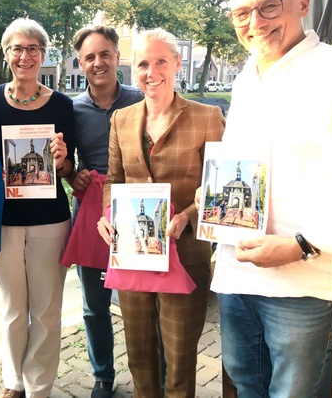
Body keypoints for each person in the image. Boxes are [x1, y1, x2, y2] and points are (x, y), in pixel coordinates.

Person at [208, 0, 332, 398]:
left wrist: (301, 245)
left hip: (303, 281)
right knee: (246, 382)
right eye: (242, 13)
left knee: (295, 392)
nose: (256, 22)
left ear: (302, 3)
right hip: (238, 273)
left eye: (270, 6)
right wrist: (210, 194)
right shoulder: (246, 79)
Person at [96, 28, 225, 398]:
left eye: (160, 62)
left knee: (181, 360)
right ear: (131, 69)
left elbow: (216, 191)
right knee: (139, 358)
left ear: (178, 63)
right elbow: (113, 179)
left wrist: (187, 215)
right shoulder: (121, 119)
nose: (151, 71)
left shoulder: (208, 117)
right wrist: (107, 214)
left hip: (184, 255)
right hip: (133, 255)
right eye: (142, 64)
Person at [0, 18, 75, 398]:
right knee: (12, 309)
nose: (25, 56)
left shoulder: (62, 105)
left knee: (46, 312)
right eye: (17, 48)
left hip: (50, 220)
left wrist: (63, 159)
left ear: (43, 55)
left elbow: (69, 170)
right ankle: (13, 381)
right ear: (7, 55)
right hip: (3, 219)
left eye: (33, 48)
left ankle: (39, 387)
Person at [65, 25, 143, 398]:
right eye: (90, 57)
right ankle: (102, 376)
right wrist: (73, 176)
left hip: (138, 205)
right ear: (81, 63)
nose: (99, 62)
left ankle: (150, 374)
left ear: (117, 57)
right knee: (95, 306)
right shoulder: (73, 109)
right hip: (93, 210)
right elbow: (63, 164)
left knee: (141, 302)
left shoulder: (141, 100)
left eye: (105, 54)